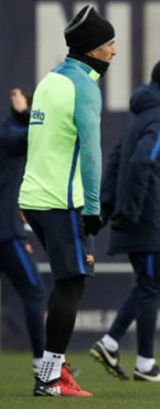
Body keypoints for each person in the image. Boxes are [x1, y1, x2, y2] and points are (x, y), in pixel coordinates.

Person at [19, 5, 116, 397]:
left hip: (34, 199)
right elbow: (91, 152)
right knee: (72, 283)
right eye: (109, 44)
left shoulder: (50, 80)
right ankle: (49, 378)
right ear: (93, 49)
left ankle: (52, 370)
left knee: (66, 282)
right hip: (63, 202)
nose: (114, 51)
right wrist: (92, 208)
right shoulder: (85, 87)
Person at [89, 60, 160, 382]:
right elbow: (141, 162)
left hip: (141, 214)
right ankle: (143, 363)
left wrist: (107, 208)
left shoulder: (141, 115)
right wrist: (131, 211)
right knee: (151, 286)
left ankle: (112, 345)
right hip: (147, 217)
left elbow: (116, 159)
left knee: (148, 284)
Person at [0, 89, 46, 375]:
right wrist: (25, 112)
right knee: (35, 293)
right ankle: (43, 363)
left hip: (9, 230)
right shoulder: (11, 134)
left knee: (34, 293)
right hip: (6, 233)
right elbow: (38, 133)